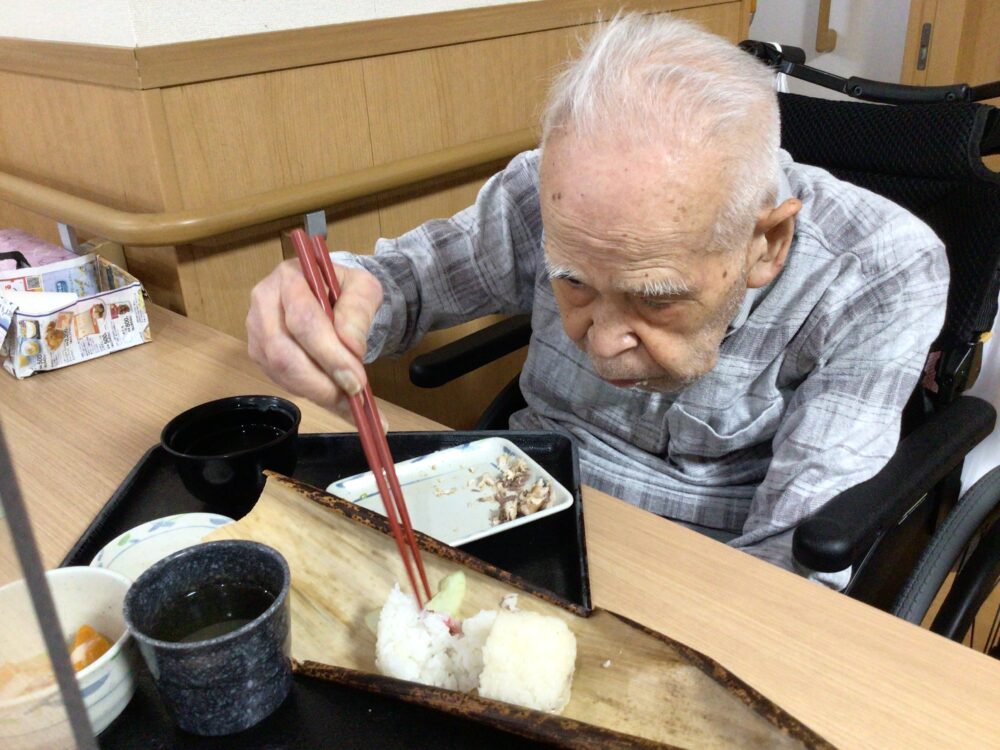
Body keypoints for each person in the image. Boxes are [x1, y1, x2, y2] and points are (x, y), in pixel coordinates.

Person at [246, 15, 948, 587]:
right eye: (573, 282)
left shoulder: (881, 270)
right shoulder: (545, 192)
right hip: (518, 501)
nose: (604, 343)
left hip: (714, 561)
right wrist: (338, 299)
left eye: (658, 299)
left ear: (766, 244)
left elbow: (793, 559)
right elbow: (406, 280)